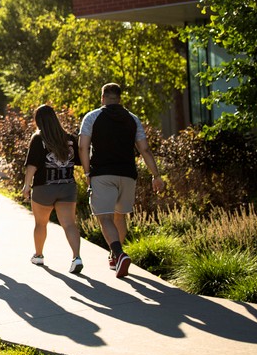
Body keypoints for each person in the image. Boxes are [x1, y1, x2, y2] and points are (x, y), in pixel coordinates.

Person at [78, 83, 164, 278]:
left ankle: (119, 253)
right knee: (120, 216)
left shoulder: (92, 117)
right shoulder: (133, 119)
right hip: (127, 175)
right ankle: (114, 256)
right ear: (120, 98)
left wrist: (86, 173)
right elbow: (144, 149)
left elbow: (83, 147)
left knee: (105, 218)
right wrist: (156, 176)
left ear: (102, 98)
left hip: (102, 174)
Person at [21, 105, 83, 274]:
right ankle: (76, 257)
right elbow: (79, 160)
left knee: (41, 224)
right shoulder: (69, 138)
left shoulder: (38, 138)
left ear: (38, 121)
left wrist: (27, 185)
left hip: (44, 188)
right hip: (67, 187)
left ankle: (39, 255)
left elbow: (32, 165)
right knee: (70, 224)